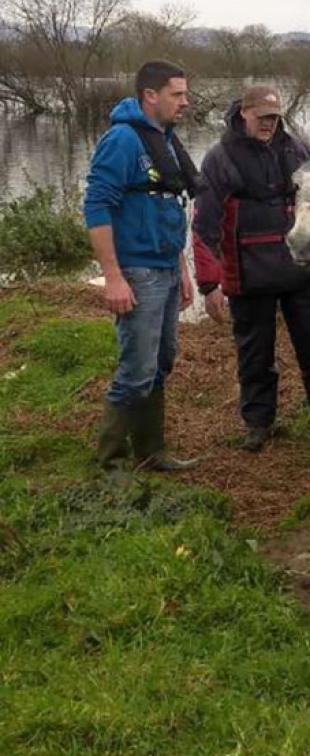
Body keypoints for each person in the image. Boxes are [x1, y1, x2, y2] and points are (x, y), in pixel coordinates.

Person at [192, 84, 310, 450]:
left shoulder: (298, 149)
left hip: (302, 271)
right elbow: (204, 224)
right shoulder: (219, 159)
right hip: (247, 275)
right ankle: (258, 424)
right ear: (244, 113)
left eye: (274, 118)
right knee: (254, 355)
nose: (268, 125)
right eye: (262, 117)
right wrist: (208, 284)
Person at [84, 60, 200, 478]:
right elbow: (96, 206)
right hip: (138, 273)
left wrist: (182, 269)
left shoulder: (163, 139)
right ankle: (111, 464)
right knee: (136, 370)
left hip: (166, 269)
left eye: (185, 94)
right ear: (151, 95)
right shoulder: (122, 140)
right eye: (177, 94)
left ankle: (152, 452)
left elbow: (170, 205)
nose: (185, 102)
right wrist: (113, 277)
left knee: (162, 361)